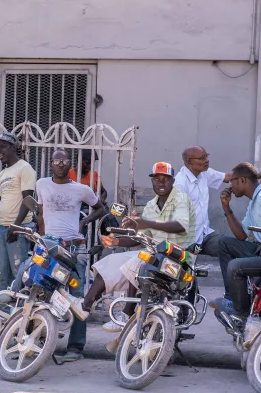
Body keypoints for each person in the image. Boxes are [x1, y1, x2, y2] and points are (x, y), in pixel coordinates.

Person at [81, 162, 196, 332]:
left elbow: (179, 225)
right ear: (152, 182)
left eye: (165, 179)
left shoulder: (181, 199)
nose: (161, 182)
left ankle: (127, 315)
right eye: (157, 179)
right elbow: (142, 237)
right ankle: (84, 307)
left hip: (179, 257)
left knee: (140, 261)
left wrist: (146, 222)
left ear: (173, 181)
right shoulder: (151, 205)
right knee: (110, 261)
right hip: (155, 254)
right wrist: (116, 241)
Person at [35, 149, 106, 361]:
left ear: (69, 165)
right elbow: (40, 213)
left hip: (75, 249)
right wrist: (41, 238)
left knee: (76, 298)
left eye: (64, 160)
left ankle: (76, 348)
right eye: (56, 160)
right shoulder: (41, 184)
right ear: (51, 163)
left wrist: (84, 222)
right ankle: (38, 340)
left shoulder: (82, 189)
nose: (60, 163)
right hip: (48, 247)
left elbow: (100, 208)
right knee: (40, 291)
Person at [211, 162, 261, 316]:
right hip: (258, 249)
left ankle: (241, 314)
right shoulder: (253, 202)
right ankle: (232, 299)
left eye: (231, 180)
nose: (229, 185)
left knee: (235, 266)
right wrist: (226, 207)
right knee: (224, 242)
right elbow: (241, 235)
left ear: (242, 181)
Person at [0, 131, 37, 291]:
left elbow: (28, 200)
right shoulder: (2, 174)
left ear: (13, 147)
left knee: (19, 273)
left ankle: (19, 312)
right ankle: (4, 310)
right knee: (2, 273)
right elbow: (1, 201)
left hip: (18, 227)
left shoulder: (24, 168)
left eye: (2, 147)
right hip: (1, 228)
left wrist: (16, 226)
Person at [174, 146, 229, 256]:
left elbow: (228, 177)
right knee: (186, 272)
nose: (207, 160)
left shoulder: (204, 173)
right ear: (190, 162)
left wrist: (251, 174)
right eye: (202, 158)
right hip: (187, 242)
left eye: (206, 155)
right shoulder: (180, 184)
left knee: (229, 248)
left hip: (204, 236)